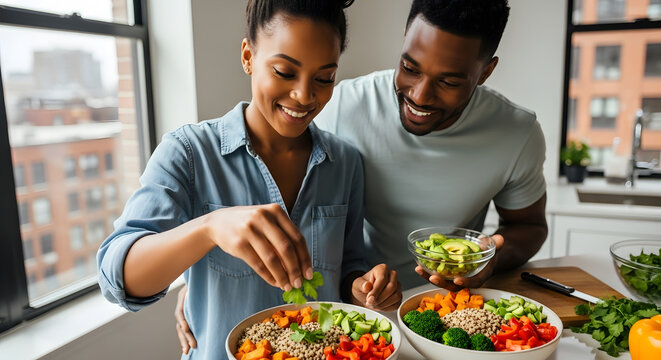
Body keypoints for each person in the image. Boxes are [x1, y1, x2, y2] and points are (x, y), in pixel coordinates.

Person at [175, 0, 548, 352]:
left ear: (485, 71)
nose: (419, 95)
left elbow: (529, 226)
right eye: (410, 67)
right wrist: (207, 278)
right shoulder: (336, 105)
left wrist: (489, 260)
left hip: (449, 320)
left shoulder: (517, 133)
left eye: (449, 82)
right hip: (360, 324)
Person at [97, 1, 401, 359]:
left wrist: (364, 288)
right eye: (285, 72)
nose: (305, 96)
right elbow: (117, 278)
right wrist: (209, 228)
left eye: (324, 78)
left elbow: (349, 265)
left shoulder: (345, 162)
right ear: (247, 57)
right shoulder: (189, 153)